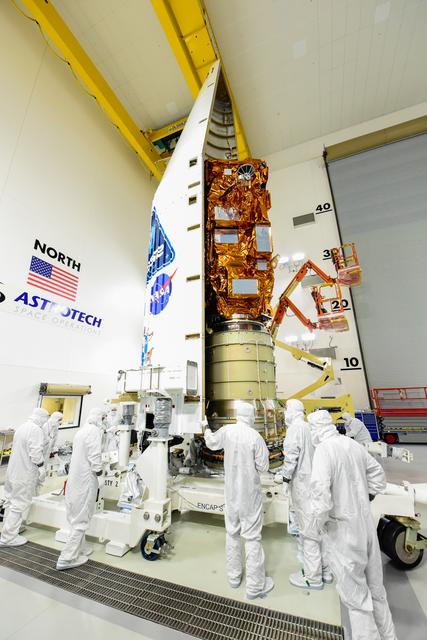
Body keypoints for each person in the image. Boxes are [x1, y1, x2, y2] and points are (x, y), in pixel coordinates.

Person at [307, 410, 397, 640]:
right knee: (377, 590)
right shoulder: (352, 444)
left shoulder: (324, 451)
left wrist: (317, 526)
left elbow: (320, 496)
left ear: (315, 429)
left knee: (356, 599)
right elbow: (377, 473)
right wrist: (367, 497)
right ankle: (389, 636)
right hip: (366, 527)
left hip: (344, 534)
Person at [204, 401, 274, 600]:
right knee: (252, 538)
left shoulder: (227, 431)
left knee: (232, 533)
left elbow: (211, 443)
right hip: (249, 496)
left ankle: (234, 577)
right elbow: (263, 467)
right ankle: (254, 586)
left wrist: (206, 427)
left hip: (231, 494)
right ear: (251, 416)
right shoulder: (255, 437)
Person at [280, 399, 332, 590]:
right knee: (319, 530)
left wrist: (285, 478)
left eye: (286, 410)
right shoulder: (309, 427)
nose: (285, 413)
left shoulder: (295, 429)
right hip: (315, 484)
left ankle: (312, 578)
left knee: (308, 533)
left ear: (293, 411)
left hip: (303, 486)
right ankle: (325, 571)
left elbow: (291, 457)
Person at [56, 407, 106, 570]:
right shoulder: (93, 431)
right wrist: (100, 473)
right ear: (98, 418)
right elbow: (94, 455)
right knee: (81, 519)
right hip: (85, 480)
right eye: (103, 418)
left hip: (75, 481)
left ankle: (81, 548)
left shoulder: (82, 431)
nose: (104, 421)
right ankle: (67, 558)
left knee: (75, 515)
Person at [0, 408, 49, 547]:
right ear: (41, 417)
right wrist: (41, 467)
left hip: (13, 472)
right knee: (19, 504)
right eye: (45, 418)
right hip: (24, 473)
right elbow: (35, 453)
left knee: (10, 502)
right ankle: (8, 538)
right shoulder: (36, 430)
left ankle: (6, 532)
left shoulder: (22, 427)